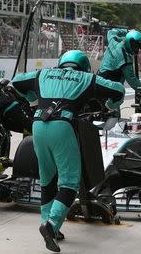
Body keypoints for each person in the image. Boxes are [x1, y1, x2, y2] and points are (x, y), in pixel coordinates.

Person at [12, 50, 125, 252]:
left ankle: (48, 223)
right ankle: (51, 225)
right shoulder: (86, 77)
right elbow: (117, 89)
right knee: (69, 182)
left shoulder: (42, 74)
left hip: (38, 125)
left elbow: (16, 82)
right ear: (82, 66)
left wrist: (32, 100)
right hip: (63, 125)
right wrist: (110, 104)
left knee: (47, 179)